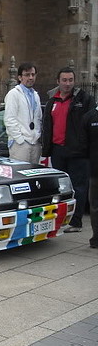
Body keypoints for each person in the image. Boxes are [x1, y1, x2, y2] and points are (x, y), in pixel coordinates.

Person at [42, 67, 96, 232]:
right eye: (64, 80)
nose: (67, 84)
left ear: (74, 81)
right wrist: (47, 150)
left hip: (78, 152)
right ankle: (62, 218)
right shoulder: (52, 101)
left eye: (70, 80)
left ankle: (76, 222)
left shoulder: (85, 99)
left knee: (79, 187)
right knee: (61, 187)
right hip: (58, 151)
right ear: (58, 82)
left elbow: (91, 125)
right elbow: (47, 127)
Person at [3, 62, 43, 164]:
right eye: (27, 75)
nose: (30, 77)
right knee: (19, 175)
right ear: (20, 77)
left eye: (33, 75)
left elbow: (38, 118)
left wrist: (37, 136)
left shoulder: (36, 95)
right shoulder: (13, 94)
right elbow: (9, 119)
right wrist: (20, 140)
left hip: (35, 143)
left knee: (33, 177)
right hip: (20, 144)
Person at [79, 105, 98, 248]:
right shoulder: (89, 117)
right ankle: (96, 238)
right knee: (95, 206)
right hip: (95, 170)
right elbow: (83, 145)